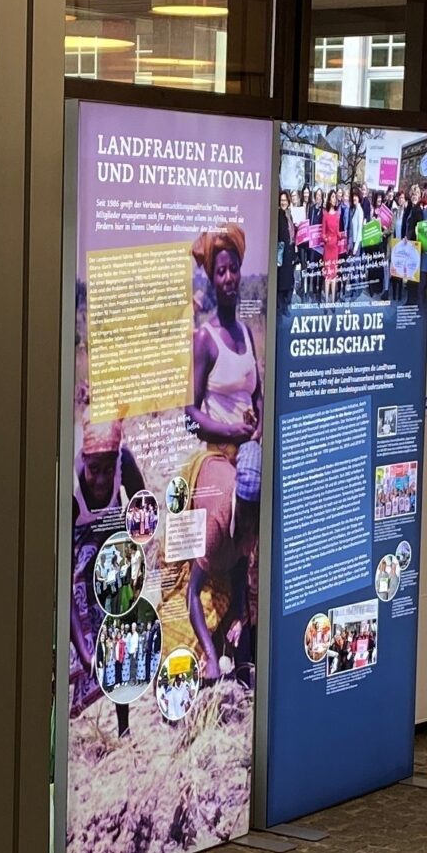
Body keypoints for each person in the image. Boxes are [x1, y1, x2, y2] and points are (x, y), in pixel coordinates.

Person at [186, 226, 262, 680]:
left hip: (246, 451)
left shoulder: (248, 334)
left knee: (252, 518)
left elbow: (258, 397)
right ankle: (212, 653)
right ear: (212, 280)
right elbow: (190, 414)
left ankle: (243, 639)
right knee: (228, 513)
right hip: (215, 456)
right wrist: (232, 430)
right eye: (221, 271)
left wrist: (256, 428)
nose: (229, 277)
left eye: (234, 269)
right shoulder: (206, 339)